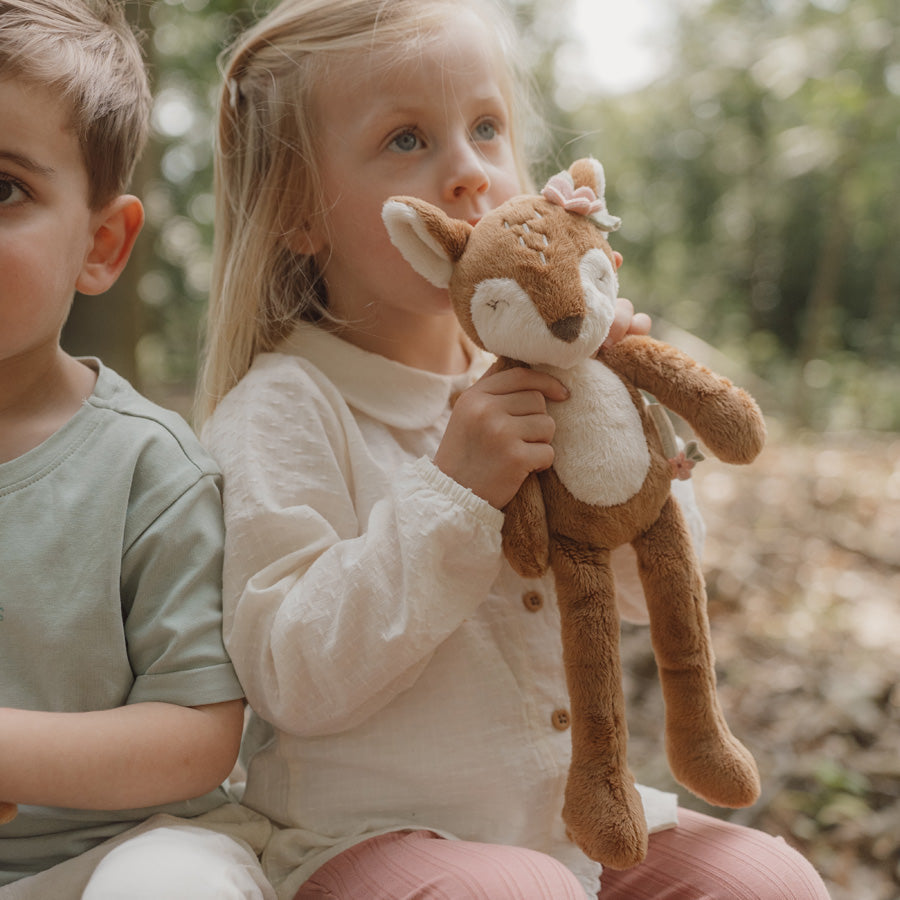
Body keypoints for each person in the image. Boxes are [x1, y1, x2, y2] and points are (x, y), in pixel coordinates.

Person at [198, 1, 832, 898]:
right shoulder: (283, 412)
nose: (468, 172)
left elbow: (645, 601)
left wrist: (628, 436)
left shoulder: (553, 380)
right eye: (407, 140)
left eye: (487, 127)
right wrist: (452, 495)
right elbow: (289, 675)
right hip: (368, 843)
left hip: (574, 831)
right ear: (302, 213)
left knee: (767, 881)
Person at [0, 1, 275, 896]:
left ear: (102, 242)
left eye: (3, 189)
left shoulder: (147, 469)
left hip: (117, 857)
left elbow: (197, 736)